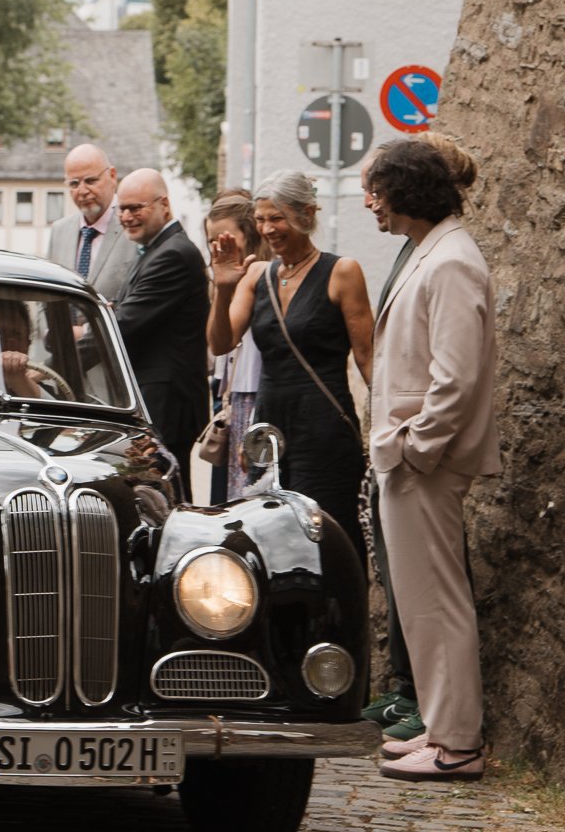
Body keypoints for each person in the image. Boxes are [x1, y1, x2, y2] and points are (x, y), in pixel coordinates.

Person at [366, 138, 500, 783]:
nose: (372, 204)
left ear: (407, 192)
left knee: (439, 602)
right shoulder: (435, 251)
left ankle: (458, 744)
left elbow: (456, 377)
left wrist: (414, 449)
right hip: (412, 457)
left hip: (424, 460)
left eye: (379, 192)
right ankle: (444, 730)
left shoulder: (450, 260)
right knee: (422, 603)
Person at [209, 169, 373, 555]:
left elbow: (368, 357)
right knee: (273, 541)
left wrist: (389, 422)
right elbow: (220, 343)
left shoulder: (342, 272)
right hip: (270, 429)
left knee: (331, 538)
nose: (267, 229)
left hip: (325, 428)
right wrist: (222, 288)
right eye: (261, 219)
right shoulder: (254, 276)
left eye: (277, 217)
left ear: (306, 214)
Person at [112, 169, 209, 497]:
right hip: (157, 401)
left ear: (164, 205)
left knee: (163, 499)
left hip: (165, 405)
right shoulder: (155, 250)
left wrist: (77, 342)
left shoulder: (173, 255)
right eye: (121, 209)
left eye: (135, 208)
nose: (126, 217)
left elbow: (123, 324)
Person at [203, 191, 266, 502]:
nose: (219, 248)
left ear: (250, 236)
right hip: (236, 396)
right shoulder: (228, 278)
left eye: (226, 239)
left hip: (260, 395)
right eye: (212, 241)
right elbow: (217, 344)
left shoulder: (263, 274)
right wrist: (222, 287)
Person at [46, 143, 136, 304]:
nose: (82, 191)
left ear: (113, 176)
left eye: (90, 181)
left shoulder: (134, 227)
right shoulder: (59, 231)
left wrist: (87, 330)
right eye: (74, 184)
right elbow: (44, 295)